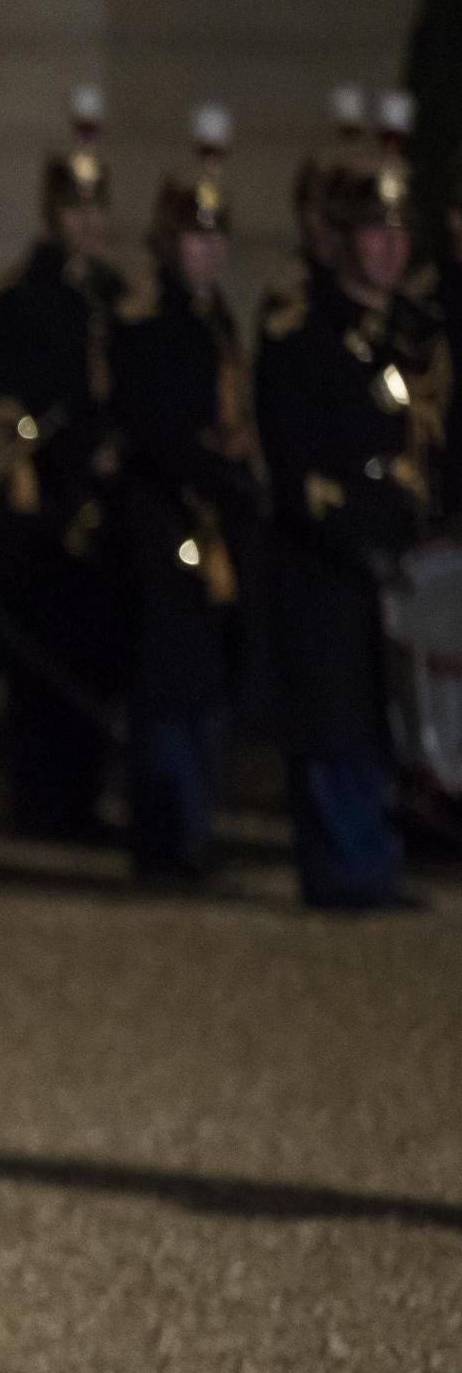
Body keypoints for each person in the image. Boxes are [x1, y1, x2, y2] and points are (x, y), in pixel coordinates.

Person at [257, 143, 431, 910]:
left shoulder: (412, 334)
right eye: (372, 231)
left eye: (397, 231)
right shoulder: (306, 331)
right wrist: (364, 536)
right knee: (334, 717)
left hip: (400, 554)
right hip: (329, 559)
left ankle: (376, 860)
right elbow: (299, 460)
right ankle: (341, 867)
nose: (387, 247)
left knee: (385, 715)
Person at [112, 110, 263, 884]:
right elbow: (159, 433)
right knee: (169, 688)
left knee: (207, 687)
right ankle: (166, 833)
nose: (207, 251)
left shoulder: (216, 322)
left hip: (214, 523)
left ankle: (194, 824)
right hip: (166, 519)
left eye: (216, 239)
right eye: (195, 238)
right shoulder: (150, 324)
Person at [0, 88, 127, 844]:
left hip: (101, 504)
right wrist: (75, 448)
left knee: (96, 654)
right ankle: (40, 801)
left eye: (97, 207)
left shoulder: (110, 295)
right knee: (44, 667)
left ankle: (83, 795)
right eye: (76, 208)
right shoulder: (23, 298)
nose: (89, 223)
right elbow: (21, 404)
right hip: (46, 499)